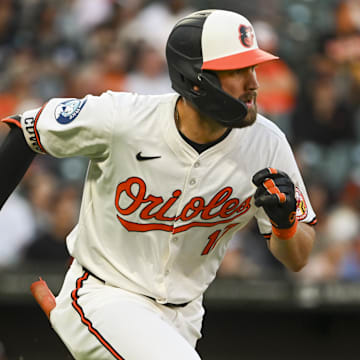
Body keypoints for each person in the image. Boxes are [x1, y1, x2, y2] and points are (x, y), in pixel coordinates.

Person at [0, 9, 317, 360]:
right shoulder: (124, 118)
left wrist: (285, 225)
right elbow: (27, 129)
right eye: (237, 70)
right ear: (195, 77)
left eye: (253, 68)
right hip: (104, 296)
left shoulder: (267, 144)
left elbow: (299, 257)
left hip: (183, 318)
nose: (254, 83)